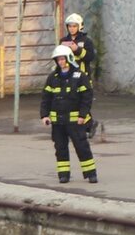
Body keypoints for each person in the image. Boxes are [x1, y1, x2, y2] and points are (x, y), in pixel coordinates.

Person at [41, 44, 97, 184]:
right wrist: (44, 115)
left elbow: (87, 98)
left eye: (62, 59)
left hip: (75, 122)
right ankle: (63, 174)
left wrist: (83, 116)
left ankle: (91, 174)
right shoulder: (52, 77)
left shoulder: (79, 76)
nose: (60, 62)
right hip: (58, 122)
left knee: (82, 147)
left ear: (69, 58)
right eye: (58, 60)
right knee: (60, 148)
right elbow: (46, 98)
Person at [60, 13, 99, 138]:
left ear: (80, 26)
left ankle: (88, 124)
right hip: (68, 76)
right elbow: (59, 58)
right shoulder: (63, 41)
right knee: (71, 102)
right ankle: (89, 124)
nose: (71, 28)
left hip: (83, 76)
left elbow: (90, 57)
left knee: (83, 101)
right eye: (70, 26)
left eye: (74, 26)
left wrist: (77, 49)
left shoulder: (86, 41)